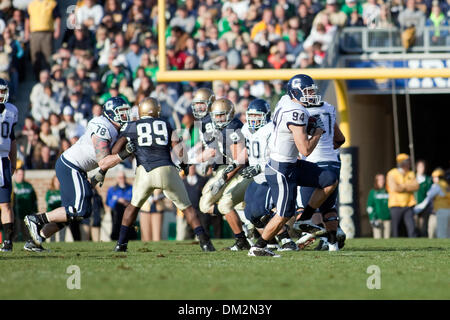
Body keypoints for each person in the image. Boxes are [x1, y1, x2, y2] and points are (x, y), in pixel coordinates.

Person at [96, 97, 215, 252]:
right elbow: (178, 147)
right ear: (156, 110)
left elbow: (114, 151)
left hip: (145, 171)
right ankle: (205, 242)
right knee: (187, 208)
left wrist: (127, 150)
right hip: (166, 169)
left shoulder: (133, 126)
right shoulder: (165, 123)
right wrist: (185, 165)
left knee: (133, 207)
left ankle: (121, 244)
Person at [23, 97, 132, 251]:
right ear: (111, 113)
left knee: (70, 213)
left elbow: (109, 154)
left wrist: (101, 173)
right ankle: (36, 219)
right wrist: (125, 153)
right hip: (71, 165)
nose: (125, 115)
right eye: (122, 112)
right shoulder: (104, 127)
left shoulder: (113, 129)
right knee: (81, 209)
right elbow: (104, 160)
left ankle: (35, 241)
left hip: (75, 167)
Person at [249, 74, 338, 257]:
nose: (311, 95)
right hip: (281, 168)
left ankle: (304, 219)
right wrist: (318, 132)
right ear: (296, 92)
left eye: (312, 91)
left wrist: (310, 124)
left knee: (330, 178)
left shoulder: (285, 100)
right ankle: (259, 246)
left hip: (291, 163)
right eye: (307, 92)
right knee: (284, 213)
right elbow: (305, 150)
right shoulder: (296, 112)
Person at [293, 81, 347, 251]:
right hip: (333, 162)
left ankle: (309, 234)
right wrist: (328, 150)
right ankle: (332, 244)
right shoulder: (329, 107)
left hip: (313, 162)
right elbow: (340, 139)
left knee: (303, 209)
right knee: (329, 208)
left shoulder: (302, 111)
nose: (309, 95)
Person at [240, 99, 298, 251]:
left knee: (261, 211)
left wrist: (259, 167)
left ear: (265, 116)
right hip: (257, 177)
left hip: (269, 175)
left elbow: (277, 154)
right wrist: (235, 164)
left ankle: (286, 240)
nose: (253, 120)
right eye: (251, 116)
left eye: (257, 116)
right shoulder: (246, 129)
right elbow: (248, 149)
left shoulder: (271, 130)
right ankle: (271, 240)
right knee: (250, 214)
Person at [198, 98, 253, 251]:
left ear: (230, 114)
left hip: (244, 172)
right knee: (205, 204)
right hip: (231, 170)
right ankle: (245, 226)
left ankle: (243, 237)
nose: (218, 119)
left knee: (224, 204)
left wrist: (223, 180)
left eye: (222, 115)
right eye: (216, 116)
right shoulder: (223, 129)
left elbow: (238, 161)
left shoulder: (233, 127)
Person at [0, 79, 18, 252]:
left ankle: (7, 241)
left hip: (3, 159)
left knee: (5, 203)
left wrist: (13, 162)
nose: (1, 95)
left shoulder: (11, 110)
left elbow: (12, 139)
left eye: (2, 91)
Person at [386, 153, 419, 238]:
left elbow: (416, 186)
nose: (409, 163)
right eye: (407, 161)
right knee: (395, 228)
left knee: (412, 227)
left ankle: (414, 245)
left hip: (408, 204)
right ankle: (395, 246)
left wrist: (402, 186)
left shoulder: (411, 173)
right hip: (396, 205)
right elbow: (394, 188)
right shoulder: (392, 173)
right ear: (401, 163)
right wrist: (408, 186)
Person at [26, 0, 61, 78]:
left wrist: (57, 29)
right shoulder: (31, 4)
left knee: (48, 55)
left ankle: (49, 74)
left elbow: (57, 18)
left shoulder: (52, 3)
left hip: (47, 33)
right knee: (35, 55)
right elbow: (27, 19)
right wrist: (26, 32)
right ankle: (37, 75)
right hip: (34, 33)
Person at [414, 168, 450, 238]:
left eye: (434, 177)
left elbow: (428, 199)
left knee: (441, 233)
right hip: (448, 210)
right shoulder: (447, 186)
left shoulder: (436, 186)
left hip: (441, 210)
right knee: (448, 233)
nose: (433, 179)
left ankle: (444, 249)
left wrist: (416, 209)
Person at [106, 170, 133, 241]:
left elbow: (134, 200)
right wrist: (117, 200)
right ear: (117, 179)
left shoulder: (131, 188)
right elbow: (108, 203)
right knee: (116, 226)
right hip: (116, 213)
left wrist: (127, 201)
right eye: (120, 178)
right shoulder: (112, 189)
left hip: (128, 211)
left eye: (123, 177)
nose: (122, 179)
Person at [13, 167, 37, 245]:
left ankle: (28, 245)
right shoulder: (13, 186)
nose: (21, 176)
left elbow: (34, 199)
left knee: (27, 233)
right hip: (16, 214)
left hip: (27, 214)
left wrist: (34, 211)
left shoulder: (28, 186)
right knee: (16, 232)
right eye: (19, 174)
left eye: (23, 174)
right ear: (15, 175)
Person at [367, 174, 391, 239]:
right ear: (376, 181)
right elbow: (369, 206)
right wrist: (372, 218)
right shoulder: (373, 192)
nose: (381, 181)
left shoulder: (388, 191)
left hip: (387, 218)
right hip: (377, 218)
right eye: (379, 179)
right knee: (378, 238)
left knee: (387, 239)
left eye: (383, 179)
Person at [414, 159, 433, 237]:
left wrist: (422, 205)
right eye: (420, 167)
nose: (422, 168)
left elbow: (430, 194)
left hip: (424, 207)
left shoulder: (428, 180)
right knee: (414, 228)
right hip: (413, 207)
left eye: (423, 167)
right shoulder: (412, 179)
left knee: (423, 228)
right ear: (416, 168)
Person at [44, 175, 62, 242]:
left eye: (59, 181)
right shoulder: (50, 192)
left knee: (61, 232)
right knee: (51, 232)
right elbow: (48, 202)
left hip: (61, 215)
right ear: (53, 182)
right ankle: (52, 244)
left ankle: (61, 244)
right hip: (52, 214)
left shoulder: (63, 191)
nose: (57, 183)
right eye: (56, 181)